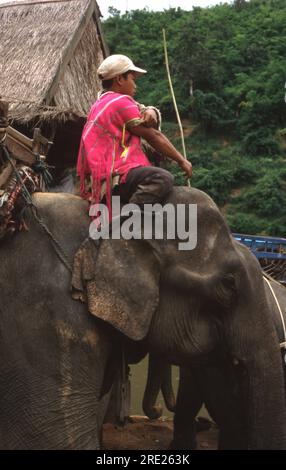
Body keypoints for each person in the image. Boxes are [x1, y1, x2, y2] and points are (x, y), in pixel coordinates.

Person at [77, 54, 192, 216]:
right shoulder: (120, 102)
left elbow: (144, 112)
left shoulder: (100, 103)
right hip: (114, 172)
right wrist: (181, 160)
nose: (135, 85)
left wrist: (150, 111)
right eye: (132, 78)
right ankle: (126, 220)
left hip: (99, 174)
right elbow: (153, 136)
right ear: (119, 80)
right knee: (161, 178)